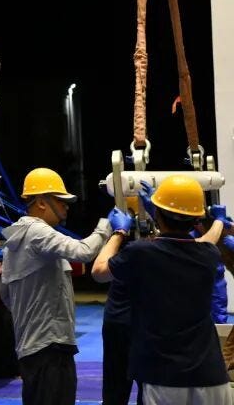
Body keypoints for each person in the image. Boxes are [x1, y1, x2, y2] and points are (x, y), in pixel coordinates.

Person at [92, 174, 232, 405]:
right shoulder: (208, 254)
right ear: (196, 218)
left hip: (164, 377)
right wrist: (217, 220)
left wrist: (118, 233)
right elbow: (207, 239)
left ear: (157, 214)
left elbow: (99, 271)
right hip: (212, 377)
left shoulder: (140, 254)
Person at [0, 167, 128, 405]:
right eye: (61, 201)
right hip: (51, 348)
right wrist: (110, 226)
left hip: (33, 349)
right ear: (40, 202)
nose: (66, 206)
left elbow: (6, 295)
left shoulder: (15, 240)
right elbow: (84, 251)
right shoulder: (37, 232)